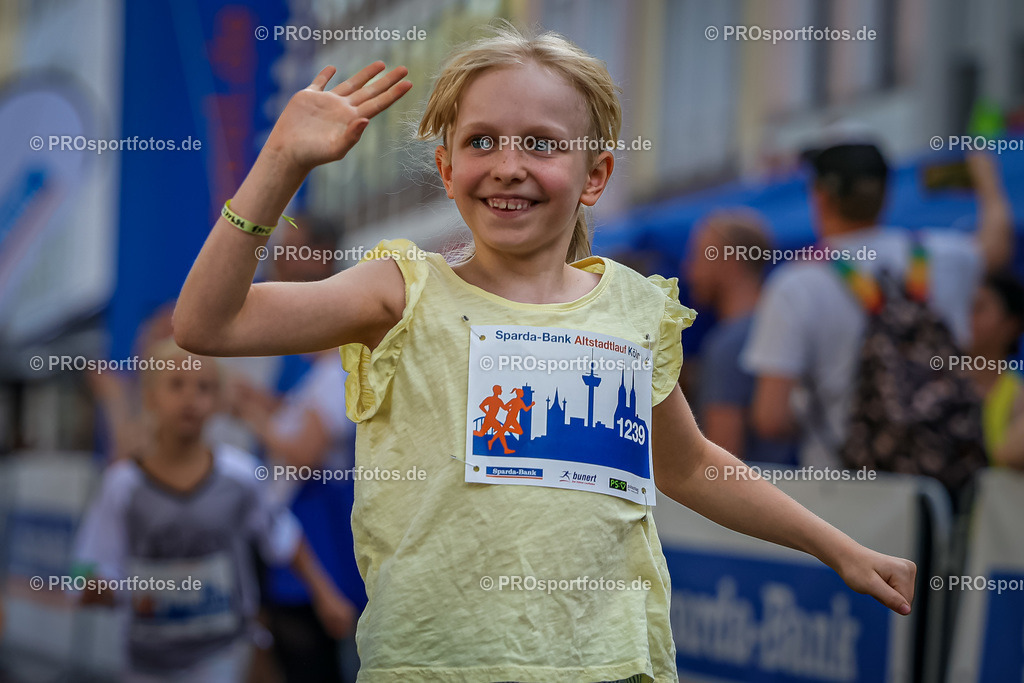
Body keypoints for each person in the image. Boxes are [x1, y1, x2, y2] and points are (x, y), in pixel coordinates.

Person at [173, 24, 916, 683]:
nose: (508, 163)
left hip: (613, 664)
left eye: (541, 143)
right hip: (434, 665)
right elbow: (208, 323)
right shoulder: (400, 291)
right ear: (446, 168)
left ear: (595, 175)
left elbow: (690, 464)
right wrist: (281, 162)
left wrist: (837, 546)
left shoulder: (633, 306)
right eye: (481, 140)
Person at [73, 339, 354, 682]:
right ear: (150, 396)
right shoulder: (123, 486)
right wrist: (123, 592)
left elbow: (283, 536)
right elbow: (84, 571)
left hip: (223, 657)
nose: (191, 398)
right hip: (148, 661)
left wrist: (325, 595)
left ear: (219, 401)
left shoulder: (241, 476)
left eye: (204, 388)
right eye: (176, 385)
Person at [743, 145, 1012, 470]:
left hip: (848, 492)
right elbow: (997, 245)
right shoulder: (940, 255)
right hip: (942, 484)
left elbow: (771, 418)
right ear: (886, 195)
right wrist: (988, 181)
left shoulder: (796, 284)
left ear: (820, 197)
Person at [233, 349, 366, 682]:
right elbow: (300, 420)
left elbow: (305, 454)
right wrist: (263, 403)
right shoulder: (324, 372)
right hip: (307, 524)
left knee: (310, 649)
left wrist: (251, 417)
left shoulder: (336, 373)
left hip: (316, 530)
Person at [685, 209, 797, 464]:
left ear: (729, 260)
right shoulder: (782, 326)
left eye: (698, 256)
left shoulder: (727, 345)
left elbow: (720, 463)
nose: (689, 270)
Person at [965, 272, 1024, 469]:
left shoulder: (1018, 394)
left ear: (1010, 325)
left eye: (978, 309)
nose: (967, 318)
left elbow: (1007, 455)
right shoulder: (935, 385)